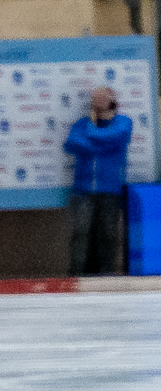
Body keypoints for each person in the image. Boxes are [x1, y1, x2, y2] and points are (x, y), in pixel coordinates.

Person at [68, 79, 135, 276]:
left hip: (110, 189)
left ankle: (105, 274)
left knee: (108, 233)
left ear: (111, 101)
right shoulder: (82, 123)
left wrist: (92, 137)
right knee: (81, 233)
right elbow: (72, 143)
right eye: (94, 99)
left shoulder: (123, 122)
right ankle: (77, 273)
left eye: (101, 98)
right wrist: (101, 147)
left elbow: (115, 137)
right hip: (83, 189)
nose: (96, 102)